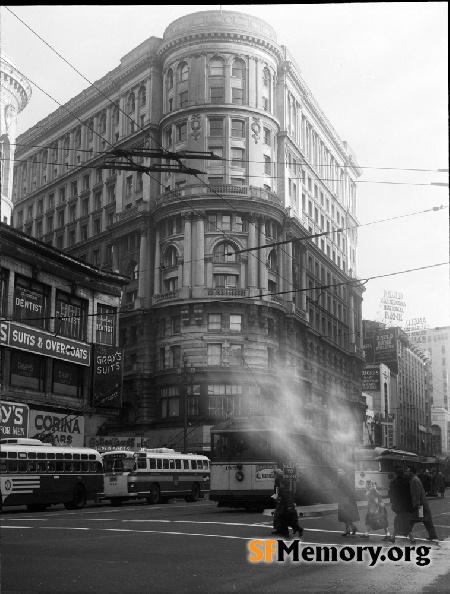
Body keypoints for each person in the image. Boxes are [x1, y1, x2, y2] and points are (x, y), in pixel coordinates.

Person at [406, 466, 439, 543]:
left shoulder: (414, 480)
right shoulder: (415, 479)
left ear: (411, 472)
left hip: (419, 505)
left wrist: (415, 504)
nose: (407, 473)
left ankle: (406, 533)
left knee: (410, 520)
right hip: (422, 504)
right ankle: (433, 536)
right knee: (426, 520)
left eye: (408, 471)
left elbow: (417, 493)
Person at [387, 467, 415, 544]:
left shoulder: (394, 483)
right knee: (400, 520)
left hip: (398, 506)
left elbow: (390, 494)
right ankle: (394, 537)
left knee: (402, 521)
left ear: (396, 474)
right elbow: (409, 495)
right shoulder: (406, 482)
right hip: (405, 505)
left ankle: (411, 538)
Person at [336, 467, 359, 536]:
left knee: (345, 514)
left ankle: (348, 529)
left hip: (346, 499)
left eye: (340, 471)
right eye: (338, 471)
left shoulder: (345, 479)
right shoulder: (343, 478)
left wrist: (345, 498)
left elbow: (347, 490)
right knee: (346, 515)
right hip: (345, 499)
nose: (339, 473)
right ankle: (351, 528)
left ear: (344, 472)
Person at [271, 468, 284, 535]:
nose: (273, 475)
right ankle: (280, 529)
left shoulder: (277, 480)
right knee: (280, 514)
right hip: (283, 498)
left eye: (274, 474)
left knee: (277, 514)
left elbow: (277, 489)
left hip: (280, 498)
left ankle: (279, 529)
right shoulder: (283, 479)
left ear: (276, 474)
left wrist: (276, 496)